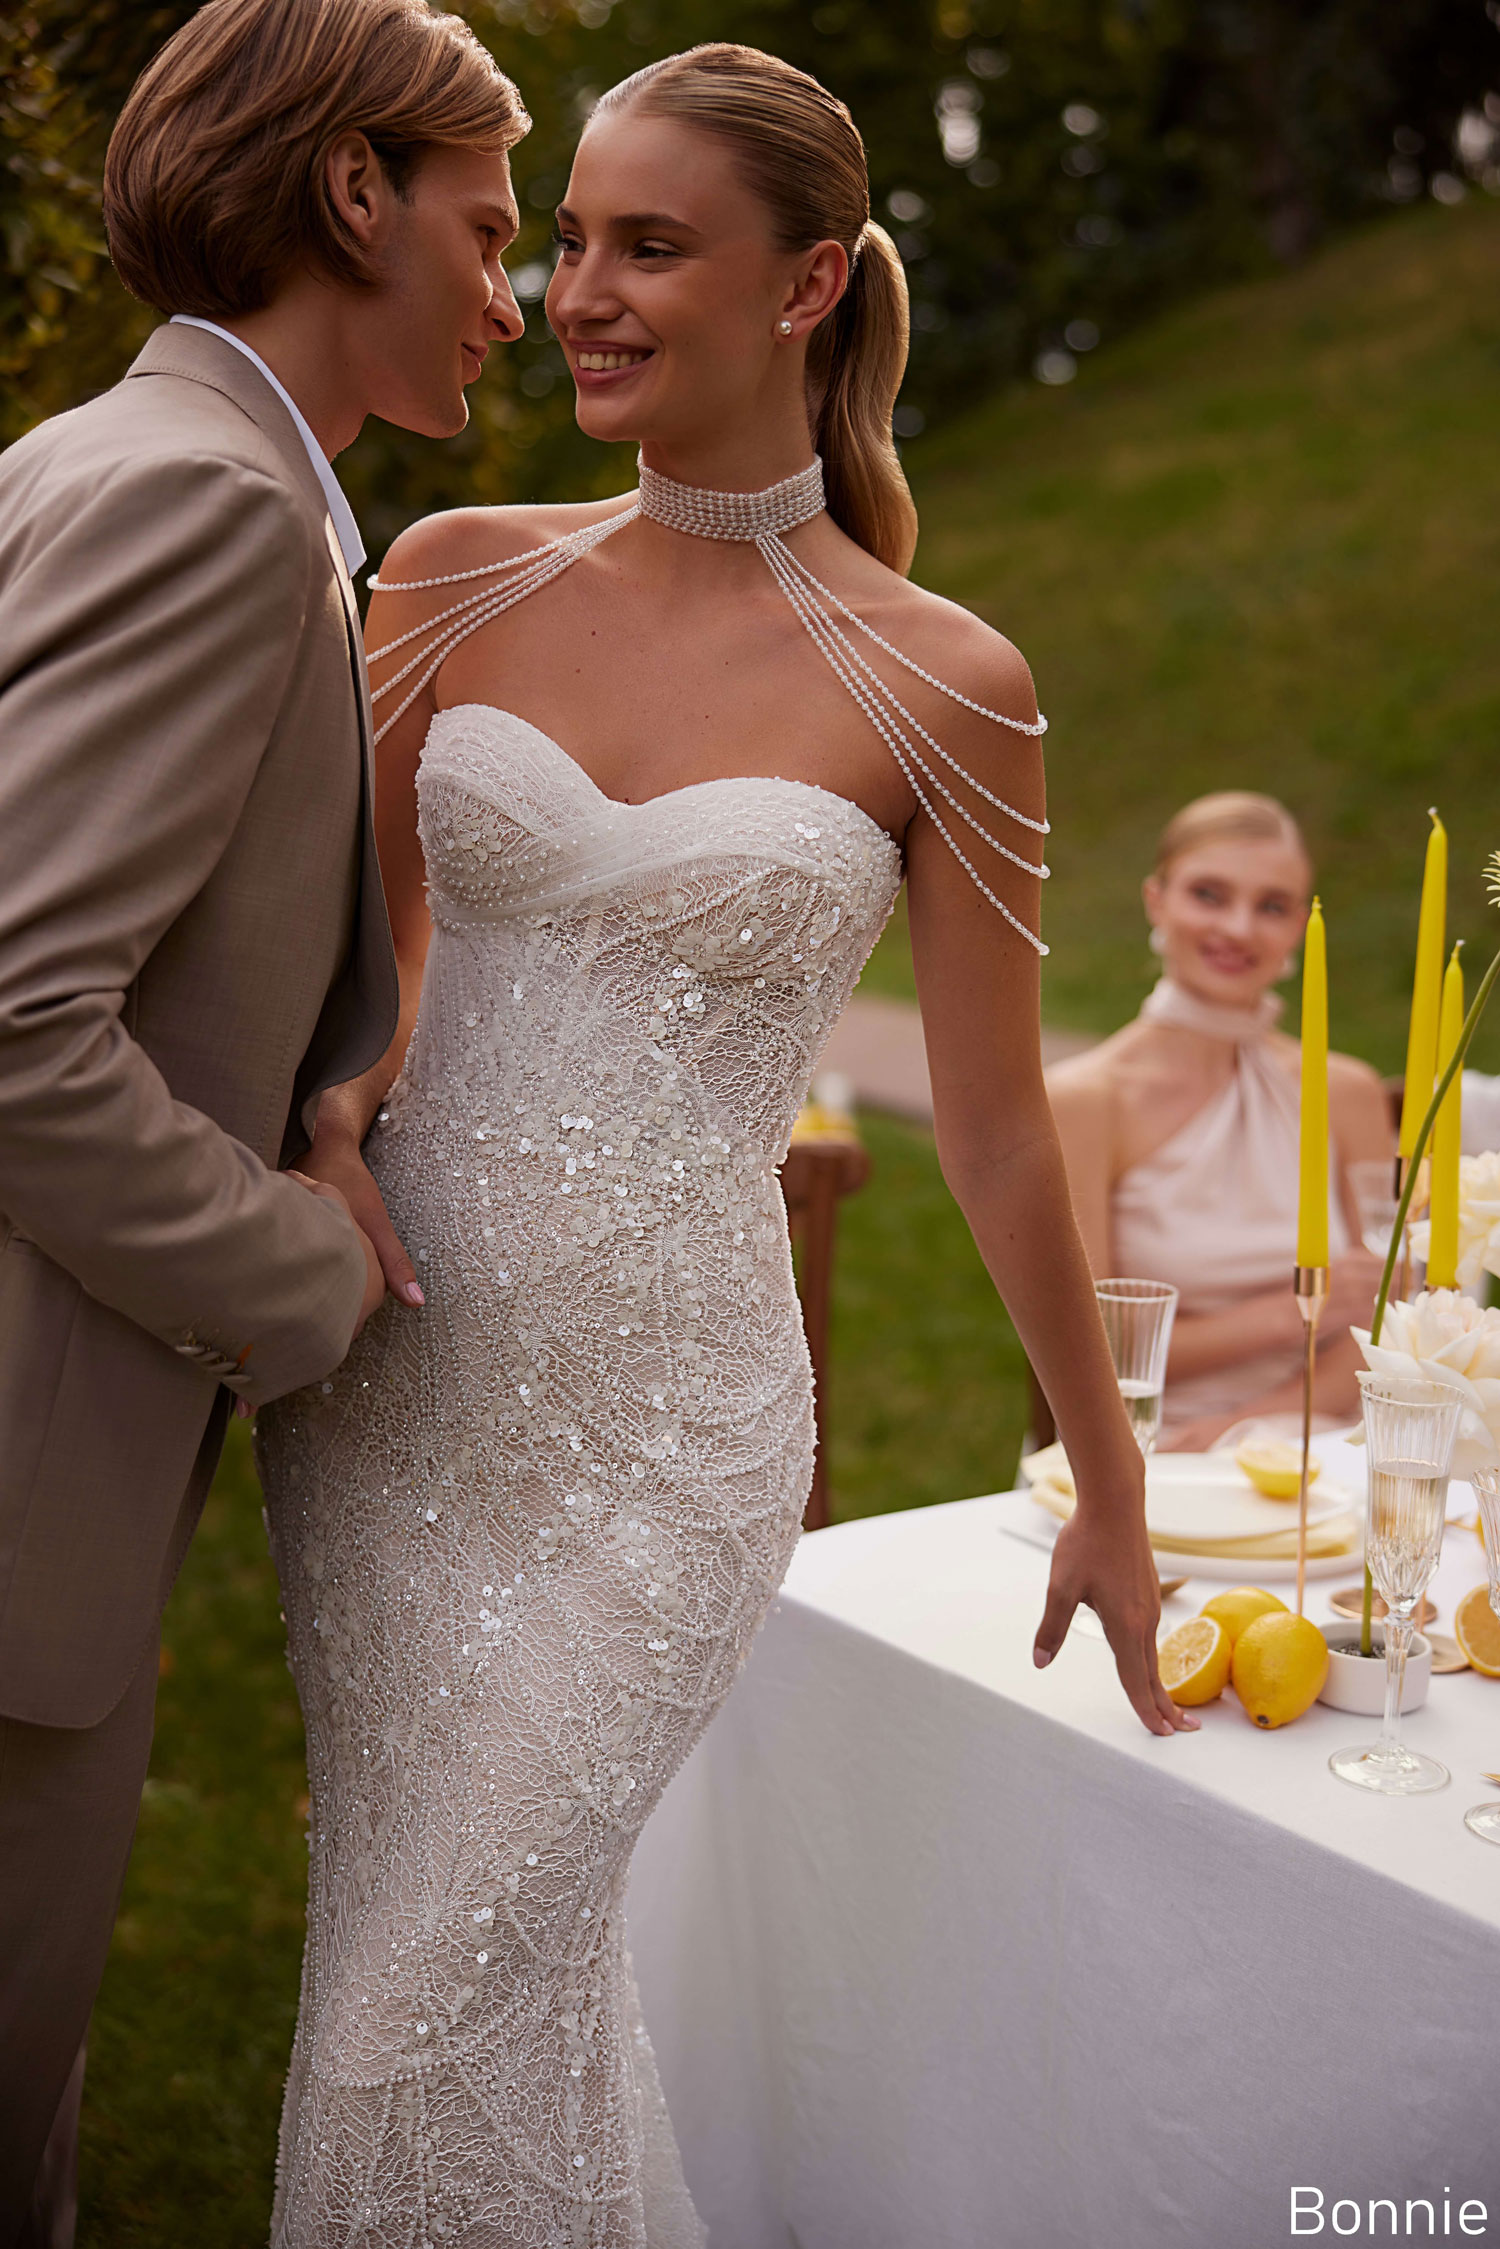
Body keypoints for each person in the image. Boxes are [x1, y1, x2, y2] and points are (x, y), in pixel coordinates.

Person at [255, 42, 1195, 2244]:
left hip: (670, 1440)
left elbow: (987, 1120)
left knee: (423, 2000)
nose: (574, 289)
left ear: (806, 289)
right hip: (394, 1410)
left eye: (647, 246)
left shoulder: (946, 681)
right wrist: (325, 1113)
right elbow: (359, 980)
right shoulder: (455, 577)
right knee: (465, 1979)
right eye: (567, 235)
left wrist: (1112, 1479)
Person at [0, 1, 527, 2236]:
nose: (517, 295)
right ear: (352, 194)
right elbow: (19, 1018)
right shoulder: (213, 513)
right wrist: (308, 1265)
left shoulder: (83, 458)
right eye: (491, 229)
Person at [1047, 792, 1392, 1450]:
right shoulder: (1088, 1100)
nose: (1238, 928)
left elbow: (1381, 1326)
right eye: (1209, 894)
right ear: (1157, 900)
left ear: (1299, 927)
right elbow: (1093, 1352)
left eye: (1271, 906)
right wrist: (1298, 1310)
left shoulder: (1346, 1091)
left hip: (1323, 1442)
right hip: (1144, 1446)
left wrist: (1247, 1428)